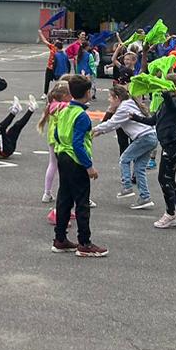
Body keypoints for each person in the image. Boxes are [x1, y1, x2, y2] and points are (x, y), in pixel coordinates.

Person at [49, 75, 107, 257]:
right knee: (82, 202)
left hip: (63, 155)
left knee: (64, 198)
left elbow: (57, 134)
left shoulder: (64, 110)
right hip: (76, 159)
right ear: (88, 93)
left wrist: (60, 150)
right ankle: (85, 242)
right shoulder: (82, 116)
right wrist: (89, 166)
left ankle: (60, 239)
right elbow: (78, 144)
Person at [93, 81, 157, 209]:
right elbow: (117, 124)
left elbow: (112, 122)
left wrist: (95, 129)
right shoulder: (130, 104)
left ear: (117, 98)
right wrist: (101, 131)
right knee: (139, 168)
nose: (109, 100)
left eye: (110, 97)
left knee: (124, 159)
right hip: (151, 137)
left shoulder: (123, 107)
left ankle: (127, 186)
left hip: (144, 137)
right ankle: (145, 197)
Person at [147, 75, 176, 228]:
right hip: (170, 146)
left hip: (174, 147)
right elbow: (153, 120)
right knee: (170, 179)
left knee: (164, 179)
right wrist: (133, 117)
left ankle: (171, 214)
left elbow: (169, 99)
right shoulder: (164, 105)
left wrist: (166, 91)